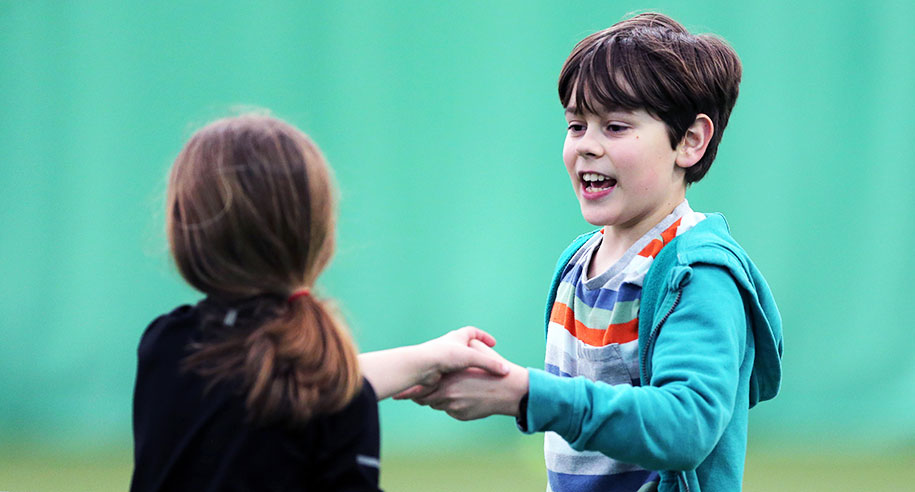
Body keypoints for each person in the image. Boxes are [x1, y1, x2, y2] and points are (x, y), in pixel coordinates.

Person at [398, 12, 784, 492]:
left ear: (690, 141)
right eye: (577, 125)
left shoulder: (698, 275)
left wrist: (525, 394)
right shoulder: (576, 262)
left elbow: (685, 427)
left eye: (616, 127)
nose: (587, 146)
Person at [130, 113, 509, 492]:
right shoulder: (332, 398)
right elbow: (302, 385)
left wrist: (425, 359)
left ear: (183, 229)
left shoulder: (165, 345)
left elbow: (262, 377)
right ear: (318, 236)